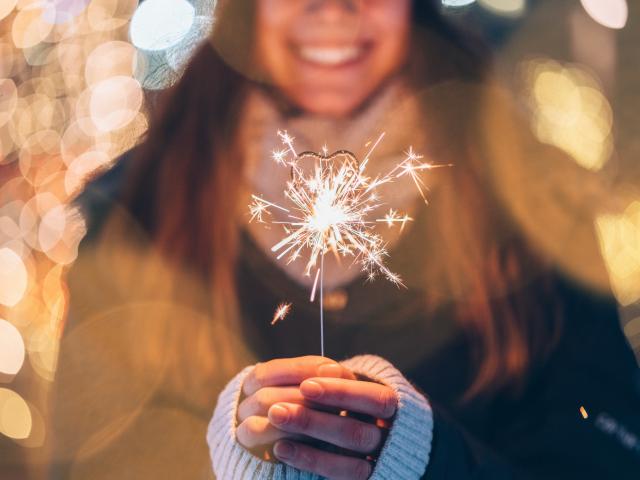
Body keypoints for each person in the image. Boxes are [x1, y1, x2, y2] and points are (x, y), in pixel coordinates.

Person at [49, 0, 640, 479]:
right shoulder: (138, 206)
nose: (332, 10)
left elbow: (608, 458)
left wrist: (427, 460)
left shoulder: (533, 195)